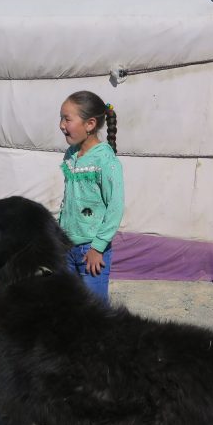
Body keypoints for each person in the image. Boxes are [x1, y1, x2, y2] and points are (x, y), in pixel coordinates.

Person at [58, 91, 124, 301]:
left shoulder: (106, 160)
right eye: (61, 118)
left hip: (92, 250)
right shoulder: (71, 155)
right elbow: (68, 199)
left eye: (67, 119)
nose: (61, 125)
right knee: (69, 306)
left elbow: (115, 206)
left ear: (90, 124)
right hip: (66, 246)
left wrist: (98, 247)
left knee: (94, 313)